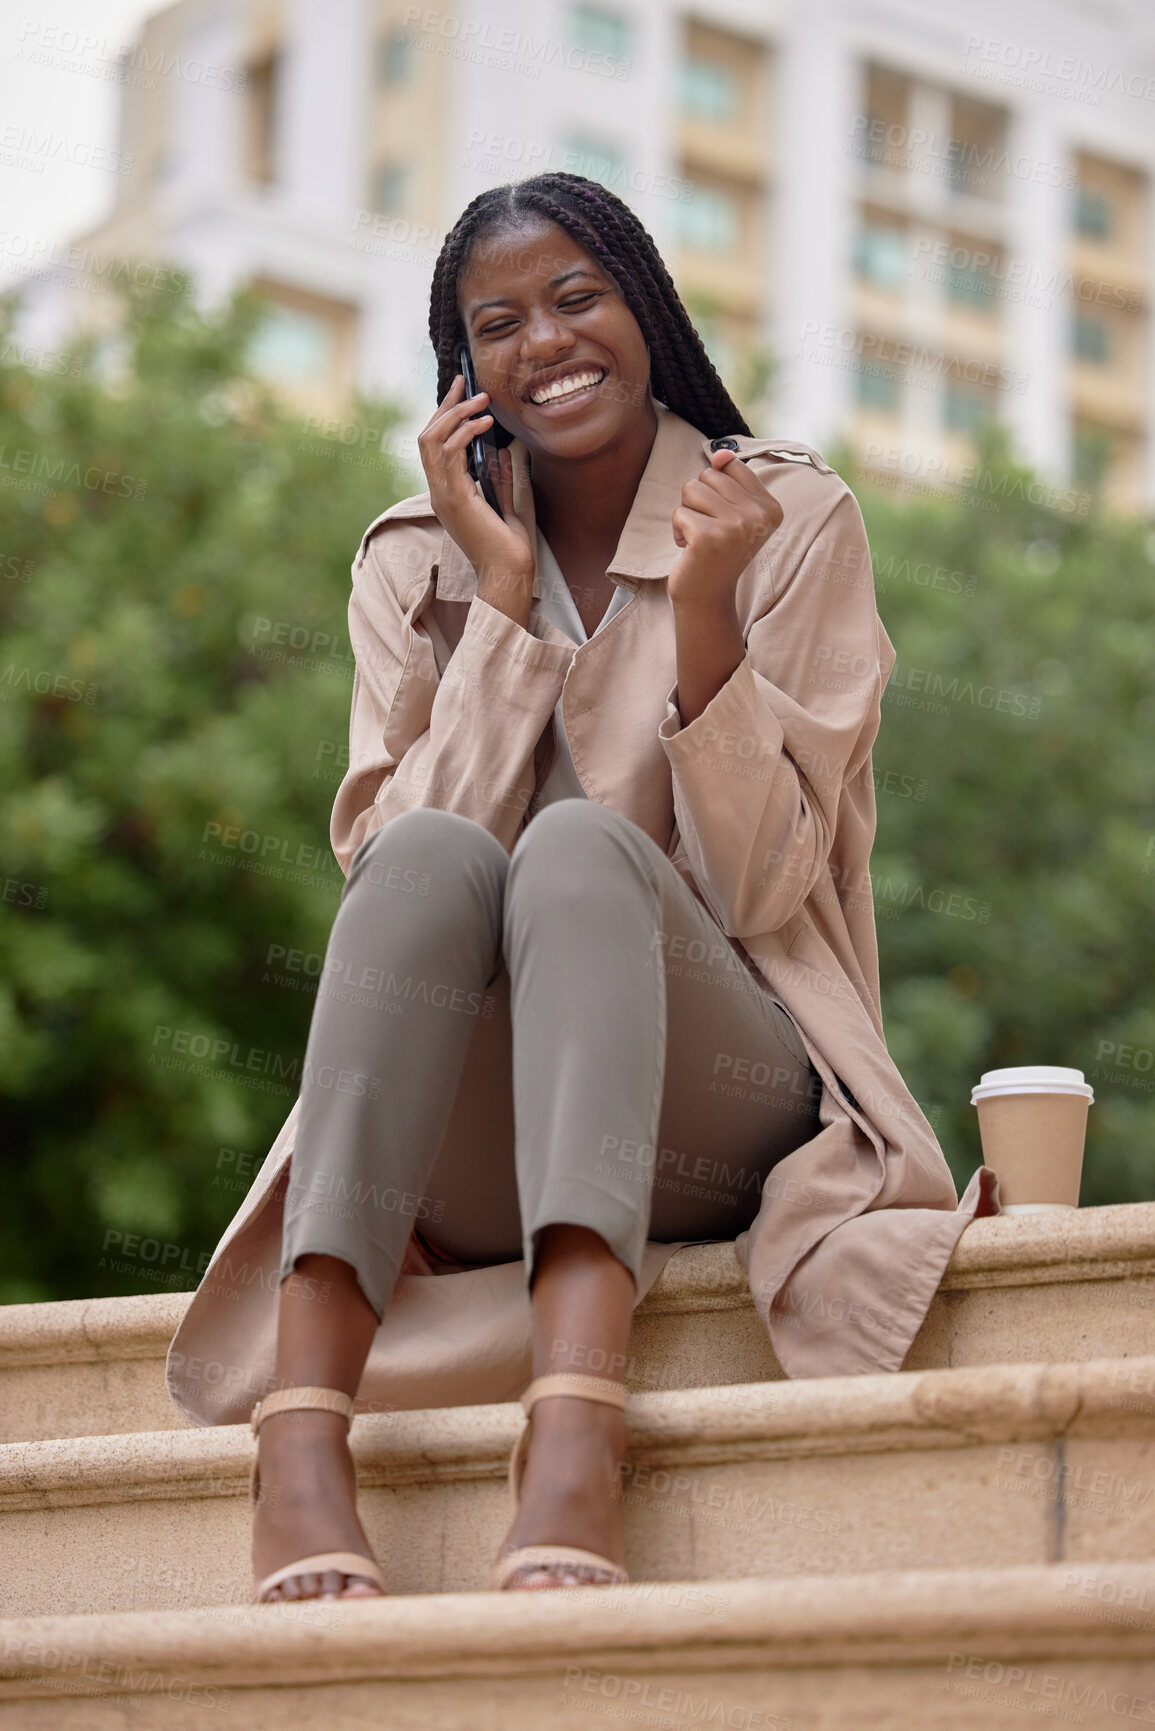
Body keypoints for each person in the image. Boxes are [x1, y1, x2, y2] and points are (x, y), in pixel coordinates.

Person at [168, 172, 995, 1607]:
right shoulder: (412, 563)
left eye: (576, 297)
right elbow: (386, 889)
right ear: (464, 374)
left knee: (576, 847)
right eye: (499, 323)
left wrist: (711, 626)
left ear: (643, 310)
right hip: (484, 1137)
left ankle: (572, 1439)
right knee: (429, 850)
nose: (544, 341)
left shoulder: (786, 520)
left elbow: (767, 882)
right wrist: (496, 605)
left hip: (725, 1097)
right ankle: (298, 1449)